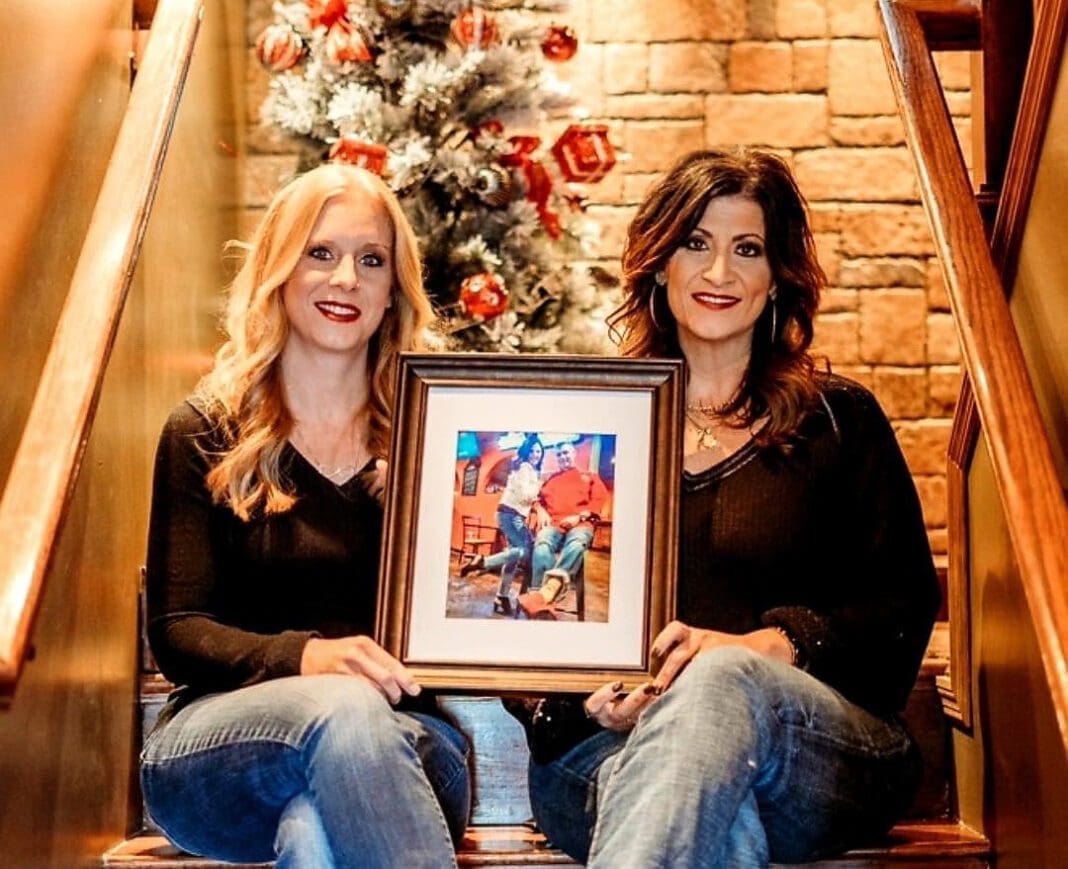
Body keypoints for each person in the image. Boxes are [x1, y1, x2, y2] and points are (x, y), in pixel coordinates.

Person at [522, 148, 941, 867]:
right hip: (602, 752)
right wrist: (579, 697)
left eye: (747, 249)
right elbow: (524, 617)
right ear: (659, 264)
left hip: (820, 753)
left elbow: (900, 607)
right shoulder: (596, 423)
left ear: (776, 274)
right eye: (696, 244)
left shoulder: (839, 421)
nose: (720, 273)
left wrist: (764, 649)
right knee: (715, 812)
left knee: (717, 685)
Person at [140, 163, 471, 869]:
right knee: (340, 705)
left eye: (371, 260)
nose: (345, 278)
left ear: (393, 294)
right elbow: (176, 631)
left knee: (316, 834)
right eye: (320, 253)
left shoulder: (436, 438)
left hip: (409, 743)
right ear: (279, 271)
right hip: (222, 750)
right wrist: (307, 657)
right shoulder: (205, 430)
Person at [517, 441, 608, 618]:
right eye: (559, 455)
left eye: (566, 453)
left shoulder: (589, 476)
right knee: (542, 541)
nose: (563, 457)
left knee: (576, 543)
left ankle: (540, 597)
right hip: (554, 524)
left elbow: (598, 500)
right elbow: (535, 499)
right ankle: (545, 598)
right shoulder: (550, 480)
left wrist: (580, 516)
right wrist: (540, 509)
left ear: (573, 454)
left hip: (580, 524)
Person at [460, 433, 545, 616]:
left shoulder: (526, 469)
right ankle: (483, 562)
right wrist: (539, 485)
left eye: (539, 451)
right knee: (524, 550)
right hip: (510, 514)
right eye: (533, 451)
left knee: (513, 558)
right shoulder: (525, 468)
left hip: (509, 514)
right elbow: (526, 496)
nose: (536, 454)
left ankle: (501, 596)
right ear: (527, 452)